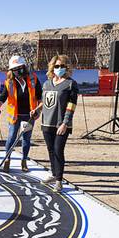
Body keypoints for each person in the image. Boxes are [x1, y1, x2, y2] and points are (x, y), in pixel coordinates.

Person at [0, 55, 42, 172]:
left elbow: (40, 98)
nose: (17, 71)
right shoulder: (9, 82)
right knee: (11, 137)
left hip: (29, 115)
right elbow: (2, 97)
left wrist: (38, 109)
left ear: (24, 67)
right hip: (15, 115)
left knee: (26, 139)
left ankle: (24, 161)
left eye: (19, 68)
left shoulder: (33, 79)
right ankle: (7, 160)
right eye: (14, 69)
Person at [35, 55, 79, 192]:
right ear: (52, 67)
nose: (59, 68)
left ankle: (59, 180)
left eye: (62, 66)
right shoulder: (47, 83)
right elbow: (45, 102)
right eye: (57, 66)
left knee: (58, 150)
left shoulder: (71, 84)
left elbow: (71, 106)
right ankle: (53, 175)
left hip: (61, 124)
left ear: (67, 67)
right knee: (50, 150)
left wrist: (65, 123)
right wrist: (36, 110)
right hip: (47, 123)